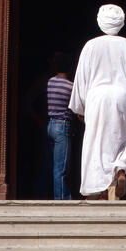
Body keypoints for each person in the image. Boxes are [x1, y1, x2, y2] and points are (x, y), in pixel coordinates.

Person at [69, 4, 126, 200]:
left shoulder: (90, 46)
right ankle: (120, 170)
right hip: (122, 98)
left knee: (96, 144)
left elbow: (81, 78)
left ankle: (102, 190)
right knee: (120, 140)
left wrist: (79, 107)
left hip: (97, 98)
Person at [46, 51, 74, 200]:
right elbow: (75, 108)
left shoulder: (50, 82)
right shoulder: (70, 87)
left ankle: (54, 196)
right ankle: (62, 200)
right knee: (61, 168)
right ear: (70, 68)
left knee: (52, 165)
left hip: (50, 125)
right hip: (62, 126)